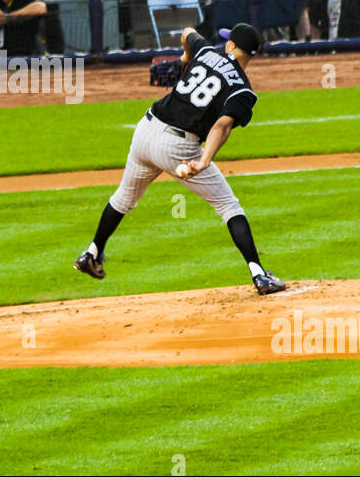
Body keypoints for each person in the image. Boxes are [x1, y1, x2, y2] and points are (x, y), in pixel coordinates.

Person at [72, 23, 286, 297]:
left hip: (145, 130)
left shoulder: (206, 50)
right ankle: (259, 274)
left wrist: (184, 59)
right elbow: (222, 126)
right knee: (228, 206)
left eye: (227, 40)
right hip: (177, 147)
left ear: (231, 46)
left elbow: (186, 31)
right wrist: (204, 160)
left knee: (124, 199)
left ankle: (92, 253)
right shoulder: (243, 91)